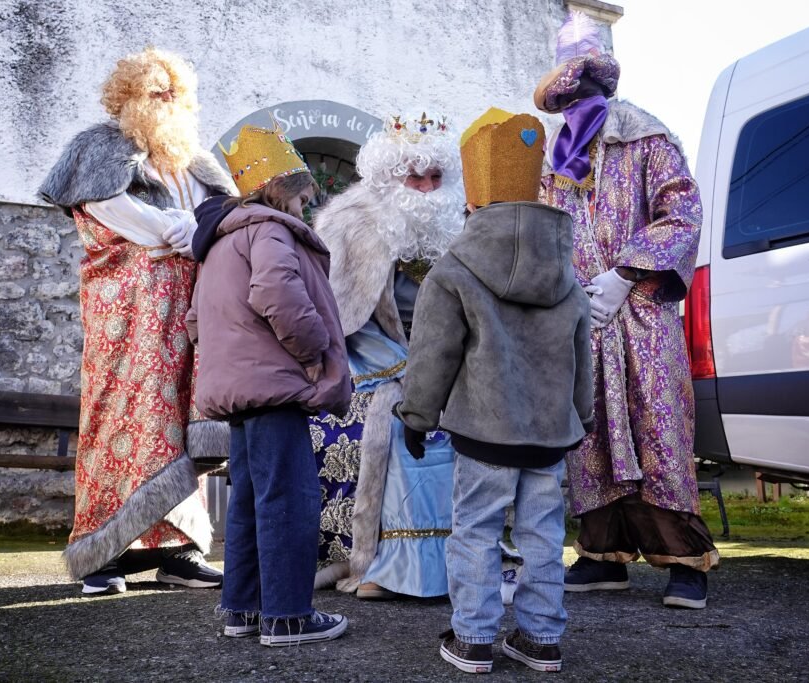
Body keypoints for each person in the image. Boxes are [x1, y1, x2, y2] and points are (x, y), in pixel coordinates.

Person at [395, 108, 594, 674]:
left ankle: (474, 638)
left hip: (484, 430)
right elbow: (582, 357)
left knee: (475, 532)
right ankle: (541, 638)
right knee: (543, 535)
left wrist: (416, 416)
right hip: (550, 434)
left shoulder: (454, 270)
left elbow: (433, 352)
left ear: (474, 197)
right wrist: (581, 418)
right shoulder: (565, 273)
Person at [534, 11, 719, 609]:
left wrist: (625, 274)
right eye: (565, 96)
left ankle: (685, 561)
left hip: (640, 312)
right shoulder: (554, 159)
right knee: (589, 434)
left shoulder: (647, 137)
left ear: (603, 84)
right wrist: (567, 290)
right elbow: (542, 232)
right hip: (582, 317)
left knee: (657, 427)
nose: (574, 105)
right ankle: (601, 554)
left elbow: (682, 215)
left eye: (583, 90)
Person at [38, 47, 234, 595]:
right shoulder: (101, 149)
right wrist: (183, 228)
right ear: (127, 98)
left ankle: (180, 551)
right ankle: (101, 555)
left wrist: (195, 229)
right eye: (156, 92)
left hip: (189, 315)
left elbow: (220, 215)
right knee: (124, 417)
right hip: (128, 321)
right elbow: (122, 216)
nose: (167, 102)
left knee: (181, 419)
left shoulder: (195, 161)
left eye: (175, 93)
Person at [187, 119, 352, 647]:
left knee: (250, 500)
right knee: (289, 498)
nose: (303, 210)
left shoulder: (220, 242)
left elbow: (195, 321)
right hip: (275, 385)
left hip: (241, 389)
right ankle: (287, 615)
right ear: (281, 193)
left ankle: (243, 608)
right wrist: (313, 352)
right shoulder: (270, 229)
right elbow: (277, 293)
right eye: (302, 200)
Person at [310, 112, 466, 599]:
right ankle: (380, 563)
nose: (427, 189)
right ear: (389, 177)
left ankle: (459, 561)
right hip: (365, 358)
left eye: (436, 177)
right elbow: (335, 315)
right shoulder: (347, 222)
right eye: (415, 178)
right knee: (397, 423)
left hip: (447, 362)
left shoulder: (461, 224)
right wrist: (404, 369)